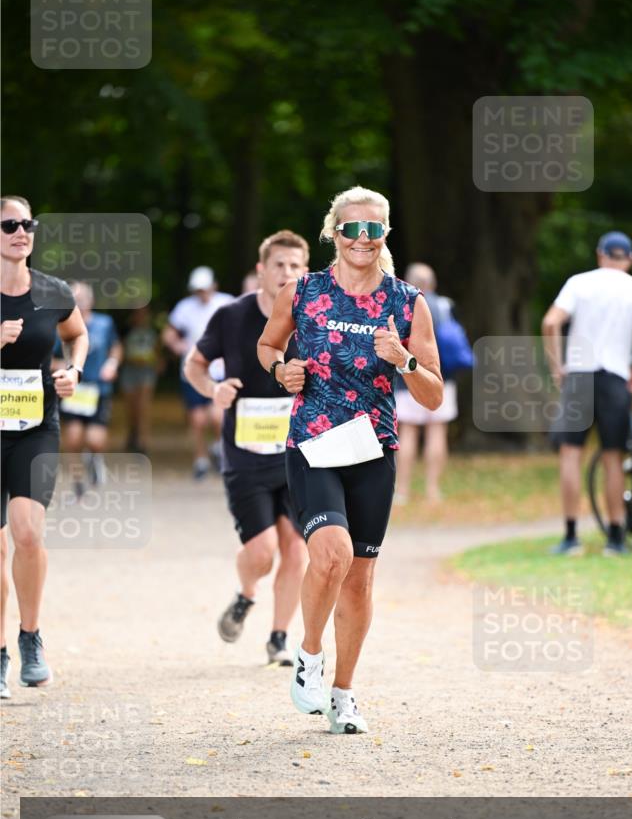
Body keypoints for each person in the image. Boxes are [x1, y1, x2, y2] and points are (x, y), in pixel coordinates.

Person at [258, 186, 443, 733]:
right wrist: (281, 371)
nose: (362, 238)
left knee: (360, 579)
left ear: (385, 234)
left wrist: (404, 359)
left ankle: (343, 694)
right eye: (351, 228)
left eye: (373, 229)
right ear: (333, 233)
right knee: (331, 553)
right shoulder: (302, 291)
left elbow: (433, 395)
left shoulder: (407, 303)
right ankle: (310, 656)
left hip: (372, 448)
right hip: (313, 444)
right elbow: (269, 346)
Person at [184, 231, 310, 665]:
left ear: (305, 271)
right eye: (279, 265)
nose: (286, 273)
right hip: (245, 454)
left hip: (298, 452)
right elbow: (195, 365)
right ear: (261, 270)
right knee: (262, 552)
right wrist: (213, 390)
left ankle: (279, 637)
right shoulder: (231, 316)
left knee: (296, 548)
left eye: (295, 266)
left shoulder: (313, 317)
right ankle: (246, 592)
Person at [1, 196, 88, 698]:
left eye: (27, 224)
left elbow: (77, 336)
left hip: (35, 427)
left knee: (28, 533)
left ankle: (30, 637)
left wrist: (74, 370)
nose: (20, 232)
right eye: (9, 225)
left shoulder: (53, 291)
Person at [542, 231, 632, 556]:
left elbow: (551, 322)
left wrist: (557, 366)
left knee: (570, 455)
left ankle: (571, 536)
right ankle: (615, 538)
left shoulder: (579, 283)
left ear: (600, 255)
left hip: (578, 375)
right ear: (631, 259)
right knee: (613, 457)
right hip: (615, 378)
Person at [394, 262, 458, 504]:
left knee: (408, 432)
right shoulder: (444, 305)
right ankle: (433, 490)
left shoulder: (401, 305)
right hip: (441, 379)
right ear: (433, 283)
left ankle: (402, 491)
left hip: (406, 379)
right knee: (437, 431)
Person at [162, 266, 233, 479]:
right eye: (198, 290)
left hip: (219, 370)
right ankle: (200, 458)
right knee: (198, 419)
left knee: (218, 416)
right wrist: (177, 345)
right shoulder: (185, 307)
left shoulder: (226, 302)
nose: (202, 293)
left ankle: (219, 447)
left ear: (213, 286)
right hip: (193, 370)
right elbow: (168, 333)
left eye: (204, 289)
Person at [54, 281, 122, 491]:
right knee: (73, 437)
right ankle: (78, 482)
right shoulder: (61, 326)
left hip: (98, 389)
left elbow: (116, 347)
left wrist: (112, 364)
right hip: (73, 389)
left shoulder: (104, 323)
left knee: (95, 439)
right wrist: (62, 367)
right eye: (75, 299)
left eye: (83, 299)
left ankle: (94, 458)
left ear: (91, 301)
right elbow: (50, 357)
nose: (80, 303)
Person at [120, 305, 163, 454]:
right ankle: (132, 435)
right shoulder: (126, 331)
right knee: (132, 408)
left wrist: (157, 363)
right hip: (130, 370)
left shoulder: (153, 333)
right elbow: (120, 351)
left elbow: (157, 352)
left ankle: (143, 441)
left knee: (143, 407)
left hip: (146, 372)